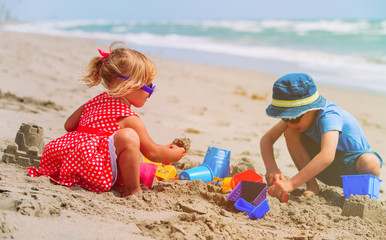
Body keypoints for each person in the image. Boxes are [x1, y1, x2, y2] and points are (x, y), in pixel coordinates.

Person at [28, 41, 186, 197]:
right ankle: (131, 189)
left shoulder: (94, 103)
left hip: (67, 163)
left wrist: (93, 138)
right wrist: (177, 154)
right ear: (128, 86)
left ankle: (108, 176)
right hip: (95, 171)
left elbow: (69, 126)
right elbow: (153, 152)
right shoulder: (128, 118)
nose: (151, 92)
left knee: (117, 144)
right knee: (129, 138)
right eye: (149, 86)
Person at [260, 73, 383, 202]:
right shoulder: (295, 120)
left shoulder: (330, 116)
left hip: (353, 172)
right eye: (285, 118)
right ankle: (312, 185)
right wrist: (272, 168)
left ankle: (363, 200)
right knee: (291, 132)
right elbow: (266, 139)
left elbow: (327, 155)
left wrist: (291, 183)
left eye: (295, 118)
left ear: (312, 109)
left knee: (370, 162)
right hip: (321, 169)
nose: (290, 123)